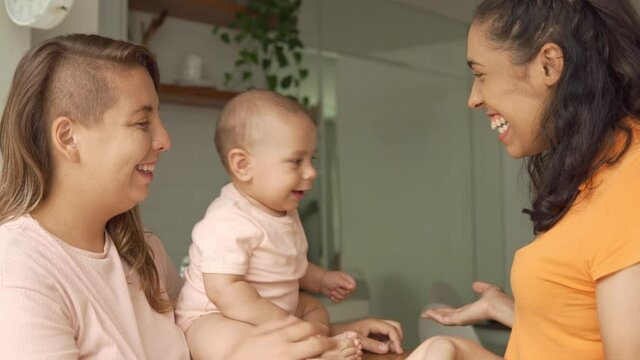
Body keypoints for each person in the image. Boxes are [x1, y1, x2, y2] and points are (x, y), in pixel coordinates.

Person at [0, 34, 403, 359]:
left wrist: (328, 335)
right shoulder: (18, 274)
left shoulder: (143, 253)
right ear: (69, 138)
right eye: (142, 122)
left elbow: (211, 334)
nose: (164, 139)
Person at [414, 0, 640, 359]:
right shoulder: (599, 166)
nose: (473, 99)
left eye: (481, 74)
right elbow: (579, 332)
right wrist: (512, 314)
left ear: (549, 65)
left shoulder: (630, 180)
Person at [175, 89, 366, 360]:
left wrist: (322, 279)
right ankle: (308, 348)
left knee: (314, 309)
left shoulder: (284, 212)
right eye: (295, 161)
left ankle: (315, 343)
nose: (311, 173)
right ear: (243, 165)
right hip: (217, 316)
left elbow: (289, 266)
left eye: (311, 160)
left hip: (274, 311)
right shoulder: (228, 220)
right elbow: (224, 290)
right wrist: (283, 323)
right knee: (228, 339)